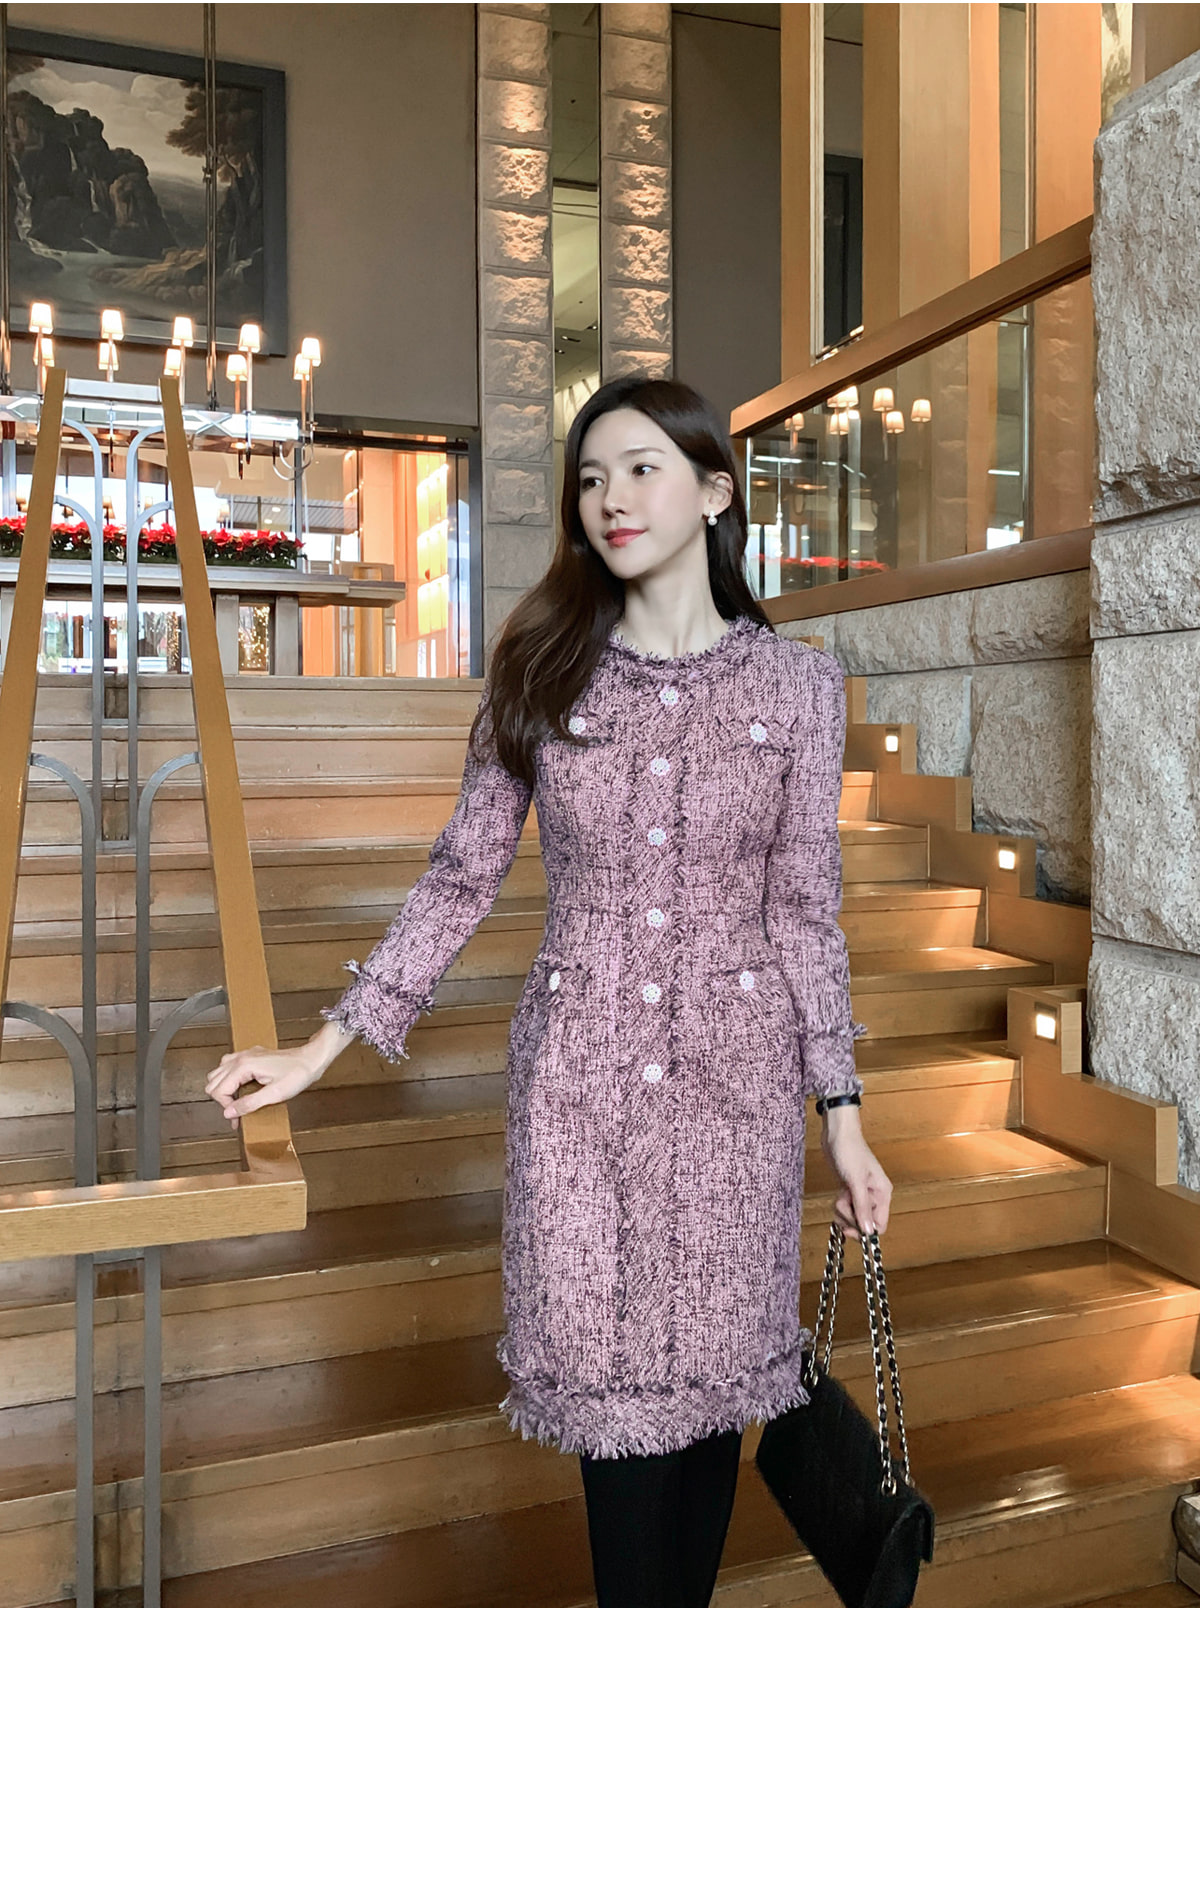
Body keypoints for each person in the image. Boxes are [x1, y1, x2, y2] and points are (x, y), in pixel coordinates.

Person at [205, 373, 893, 1608]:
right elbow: (463, 872)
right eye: (590, 477)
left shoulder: (798, 688)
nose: (611, 497)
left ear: (714, 492)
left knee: (709, 1421)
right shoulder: (542, 668)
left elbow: (804, 910)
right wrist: (325, 1043)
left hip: (736, 1097)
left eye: (641, 468)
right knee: (614, 1431)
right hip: (580, 1094)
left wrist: (842, 1114)